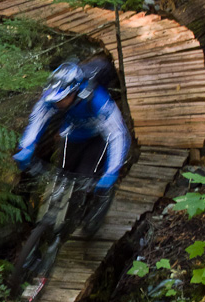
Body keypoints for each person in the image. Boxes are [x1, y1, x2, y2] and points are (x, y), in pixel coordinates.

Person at [13, 58, 131, 235]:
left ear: (74, 92)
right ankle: (51, 222)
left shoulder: (97, 100)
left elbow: (117, 134)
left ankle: (97, 204)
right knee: (62, 176)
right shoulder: (52, 97)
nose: (57, 104)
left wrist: (111, 172)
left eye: (61, 99)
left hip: (98, 139)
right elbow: (38, 118)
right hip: (73, 136)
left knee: (86, 177)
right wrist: (27, 147)